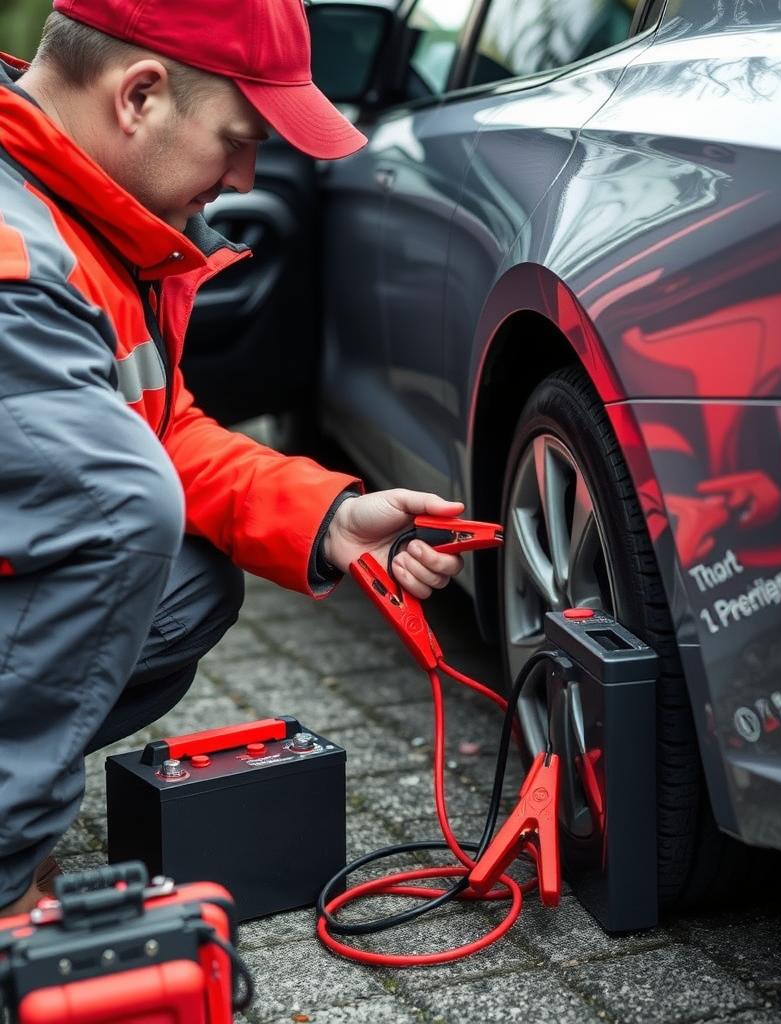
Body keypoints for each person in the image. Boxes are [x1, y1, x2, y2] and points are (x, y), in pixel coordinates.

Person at [0, 0, 465, 917]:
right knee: (128, 538)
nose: (247, 175)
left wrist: (328, 520)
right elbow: (118, 507)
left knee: (186, 584)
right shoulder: (21, 262)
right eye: (238, 138)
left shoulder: (77, 210)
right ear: (140, 95)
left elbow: (160, 431)